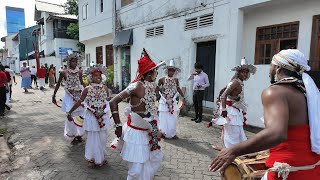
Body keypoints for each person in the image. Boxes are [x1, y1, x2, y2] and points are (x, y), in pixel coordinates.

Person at [209, 49, 320, 179]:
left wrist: (234, 151)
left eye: (271, 66)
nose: (269, 70)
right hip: (312, 168)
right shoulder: (309, 94)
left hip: (286, 171)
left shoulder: (275, 92)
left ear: (278, 68)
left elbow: (276, 133)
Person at [110, 49, 164, 180]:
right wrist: (118, 125)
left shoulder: (151, 86)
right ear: (150, 73)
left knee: (149, 162)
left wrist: (156, 128)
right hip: (135, 134)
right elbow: (113, 101)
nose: (156, 73)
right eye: (155, 70)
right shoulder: (135, 86)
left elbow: (151, 110)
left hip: (148, 132)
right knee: (136, 169)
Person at [67, 65, 111, 168]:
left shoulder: (105, 88)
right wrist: (70, 112)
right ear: (91, 77)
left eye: (100, 75)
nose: (98, 77)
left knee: (102, 138)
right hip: (91, 117)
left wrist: (111, 112)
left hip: (103, 117)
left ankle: (101, 157)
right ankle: (91, 158)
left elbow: (108, 101)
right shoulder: (87, 89)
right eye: (95, 75)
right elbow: (80, 101)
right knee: (92, 138)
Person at [211, 58, 256, 148]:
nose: (245, 74)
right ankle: (230, 152)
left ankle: (235, 151)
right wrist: (223, 109)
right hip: (231, 112)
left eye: (247, 72)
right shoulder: (235, 82)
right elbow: (224, 95)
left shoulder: (239, 82)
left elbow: (222, 90)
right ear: (238, 72)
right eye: (243, 72)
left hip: (236, 110)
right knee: (232, 134)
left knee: (238, 133)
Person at [52, 53, 85, 144]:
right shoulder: (63, 72)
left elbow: (82, 83)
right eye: (72, 61)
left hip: (79, 96)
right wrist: (53, 95)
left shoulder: (80, 72)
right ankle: (72, 136)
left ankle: (79, 135)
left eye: (75, 61)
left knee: (81, 115)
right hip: (69, 97)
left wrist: (89, 91)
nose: (74, 63)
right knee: (71, 116)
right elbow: (58, 84)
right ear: (68, 62)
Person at [158, 59, 185, 139]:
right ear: (167, 70)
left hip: (173, 101)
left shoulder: (176, 80)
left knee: (172, 117)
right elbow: (157, 88)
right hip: (164, 101)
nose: (171, 72)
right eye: (170, 70)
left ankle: (171, 133)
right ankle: (163, 132)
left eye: (173, 70)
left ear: (175, 71)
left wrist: (183, 96)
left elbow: (178, 88)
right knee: (163, 117)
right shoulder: (162, 79)